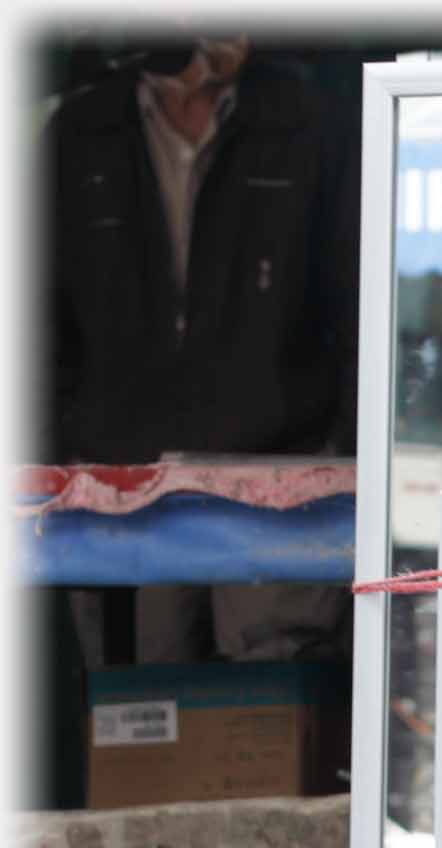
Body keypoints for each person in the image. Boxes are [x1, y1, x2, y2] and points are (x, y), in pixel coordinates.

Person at [47, 32, 359, 664]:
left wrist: (351, 450)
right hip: (122, 477)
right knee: (145, 703)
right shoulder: (82, 130)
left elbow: (355, 292)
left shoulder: (306, 119)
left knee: (275, 694)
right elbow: (39, 305)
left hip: (281, 468)